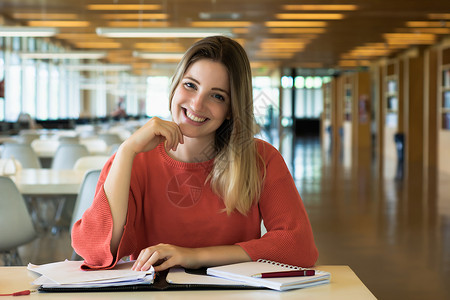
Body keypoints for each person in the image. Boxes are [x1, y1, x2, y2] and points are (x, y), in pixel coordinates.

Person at [71, 36, 318, 272]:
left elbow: (299, 247)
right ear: (175, 86)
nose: (197, 105)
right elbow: (95, 252)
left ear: (231, 110)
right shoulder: (133, 159)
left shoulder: (260, 158)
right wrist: (126, 151)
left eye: (217, 96)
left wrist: (194, 256)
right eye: (190, 85)